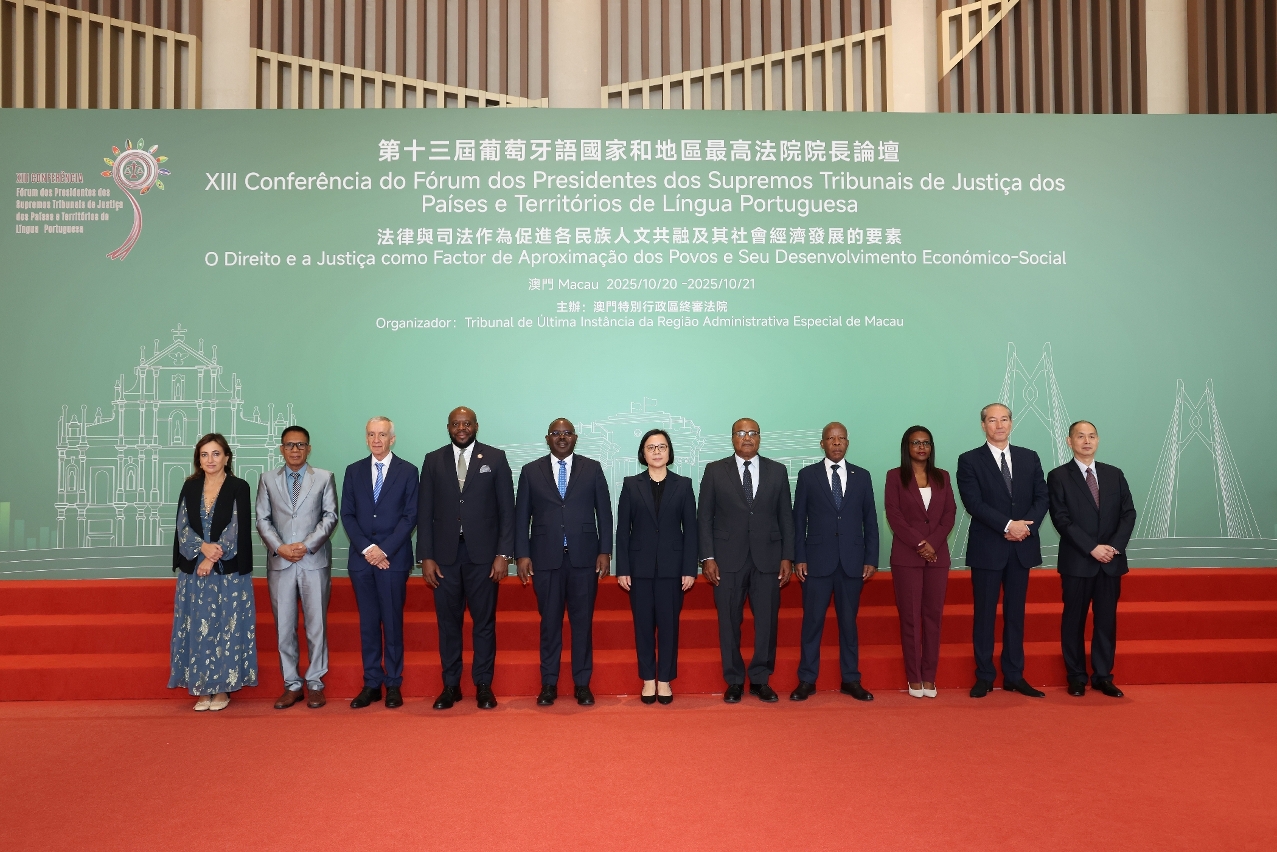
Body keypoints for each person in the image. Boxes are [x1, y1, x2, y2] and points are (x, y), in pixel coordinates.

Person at [417, 407, 514, 711]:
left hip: (484, 557)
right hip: (444, 558)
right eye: (456, 424)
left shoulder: (495, 458)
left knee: (484, 623)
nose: (462, 428)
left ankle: (483, 685)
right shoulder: (433, 460)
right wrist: (426, 556)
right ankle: (451, 686)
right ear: (448, 427)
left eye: (467, 423)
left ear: (476, 426)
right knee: (449, 624)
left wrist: (503, 554)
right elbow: (424, 511)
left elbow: (507, 510)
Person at [515, 419, 613, 707]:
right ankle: (549, 684)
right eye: (556, 433)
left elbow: (604, 513)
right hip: (545, 559)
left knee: (582, 624)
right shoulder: (530, 471)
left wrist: (605, 551)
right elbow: (521, 517)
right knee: (549, 625)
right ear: (547, 438)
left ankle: (582, 684)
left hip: (584, 558)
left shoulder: (592, 468)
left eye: (567, 433)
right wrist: (522, 554)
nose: (561, 437)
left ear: (575, 437)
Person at [697, 418, 795, 703]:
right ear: (732, 438)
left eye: (753, 433)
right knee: (728, 622)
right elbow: (704, 517)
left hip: (768, 559)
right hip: (726, 559)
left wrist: (787, 556)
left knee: (767, 622)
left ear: (759, 438)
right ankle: (734, 680)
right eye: (741, 433)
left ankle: (761, 679)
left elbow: (786, 517)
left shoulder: (777, 471)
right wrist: (707, 557)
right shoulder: (715, 470)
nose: (747, 437)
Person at [956, 403, 1050, 698]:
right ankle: (984, 675)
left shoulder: (1029, 457)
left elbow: (1042, 497)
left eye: (1005, 419)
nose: (999, 425)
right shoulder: (969, 460)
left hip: (1022, 547)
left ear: (1011, 423)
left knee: (1015, 614)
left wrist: (1025, 528)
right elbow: (973, 503)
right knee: (984, 614)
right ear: (983, 425)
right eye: (992, 420)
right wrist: (1008, 525)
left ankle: (1014, 675)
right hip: (988, 548)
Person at [790, 422, 879, 702]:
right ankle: (807, 679)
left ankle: (851, 679)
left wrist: (871, 558)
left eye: (841, 438)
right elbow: (798, 520)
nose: (837, 443)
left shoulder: (862, 476)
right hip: (816, 562)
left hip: (852, 562)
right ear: (822, 444)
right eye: (831, 438)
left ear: (847, 443)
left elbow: (870, 520)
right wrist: (799, 557)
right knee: (812, 623)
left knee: (849, 625)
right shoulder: (808, 475)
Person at [1047, 420, 1136, 698]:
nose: (1087, 441)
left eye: (1092, 436)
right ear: (1069, 441)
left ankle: (1103, 676)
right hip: (1078, 561)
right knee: (1073, 620)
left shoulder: (1114, 474)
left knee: (1106, 621)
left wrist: (1113, 547)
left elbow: (1128, 513)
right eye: (1081, 436)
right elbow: (1061, 519)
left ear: (1098, 440)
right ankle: (1076, 676)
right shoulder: (1058, 476)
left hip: (1110, 561)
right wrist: (1092, 548)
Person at [169, 433, 258, 711]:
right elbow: (182, 526)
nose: (210, 459)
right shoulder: (190, 486)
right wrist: (202, 550)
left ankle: (222, 689)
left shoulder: (238, 487)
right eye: (204, 454)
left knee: (225, 628)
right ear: (198, 459)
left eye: (216, 454)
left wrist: (212, 556)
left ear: (227, 458)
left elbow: (237, 528)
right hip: (193, 571)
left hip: (227, 572)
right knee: (198, 628)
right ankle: (202, 687)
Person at [255, 425, 339, 710]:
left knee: (316, 626)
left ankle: (315, 683)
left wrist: (306, 545)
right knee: (284, 627)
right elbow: (262, 519)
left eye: (300, 445)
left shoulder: (324, 478)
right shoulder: (267, 479)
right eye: (289, 445)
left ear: (309, 448)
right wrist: (280, 547)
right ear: (281, 449)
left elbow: (330, 516)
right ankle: (292, 684)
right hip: (280, 562)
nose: (295, 450)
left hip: (313, 561)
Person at [341, 417, 419, 709]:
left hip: (393, 560)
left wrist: (383, 550)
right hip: (362, 562)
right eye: (371, 434)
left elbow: (410, 516)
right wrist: (368, 549)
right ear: (366, 438)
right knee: (369, 624)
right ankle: (372, 683)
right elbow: (347, 514)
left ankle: (394, 683)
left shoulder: (408, 471)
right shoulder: (353, 471)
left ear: (392, 439)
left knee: (393, 622)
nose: (376, 440)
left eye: (382, 435)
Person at [615, 429, 698, 704]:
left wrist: (689, 569)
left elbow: (691, 530)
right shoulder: (631, 485)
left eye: (662, 447)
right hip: (639, 569)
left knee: (669, 627)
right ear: (643, 453)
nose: (657, 452)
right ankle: (648, 679)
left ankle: (665, 681)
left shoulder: (683, 485)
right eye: (651, 447)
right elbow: (623, 531)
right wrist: (622, 568)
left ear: (669, 452)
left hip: (673, 570)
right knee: (643, 627)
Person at [884, 426, 957, 698]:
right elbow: (894, 515)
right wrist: (919, 544)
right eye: (915, 443)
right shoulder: (895, 476)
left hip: (937, 557)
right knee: (911, 618)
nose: (921, 447)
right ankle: (914, 677)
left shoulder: (942, 476)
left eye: (926, 442)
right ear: (907, 447)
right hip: (907, 557)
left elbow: (949, 513)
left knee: (933, 617)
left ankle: (929, 677)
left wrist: (932, 543)